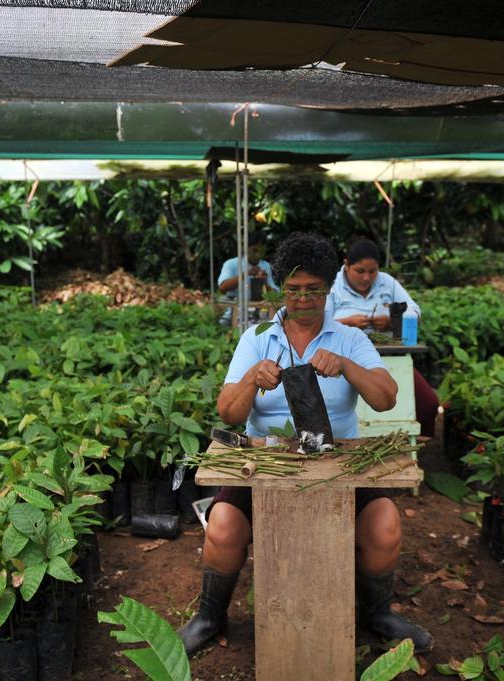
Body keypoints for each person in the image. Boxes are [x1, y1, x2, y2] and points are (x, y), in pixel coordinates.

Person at [179, 232, 434, 656]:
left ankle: (377, 613)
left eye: (314, 290)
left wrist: (347, 366)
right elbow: (228, 413)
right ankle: (209, 617)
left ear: (328, 288)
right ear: (282, 288)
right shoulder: (258, 337)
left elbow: (386, 397)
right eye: (294, 290)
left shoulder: (348, 338)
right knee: (223, 526)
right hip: (267, 462)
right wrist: (250, 378)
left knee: (385, 523)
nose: (303, 300)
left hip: (339, 462)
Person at [327, 238, 440, 437]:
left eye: (373, 271)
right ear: (346, 265)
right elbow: (320, 322)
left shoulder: (387, 282)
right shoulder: (332, 285)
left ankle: (421, 447)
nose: (367, 278)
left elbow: (414, 311)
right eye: (360, 271)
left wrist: (391, 320)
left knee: (429, 404)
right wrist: (347, 323)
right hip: (344, 361)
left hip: (390, 359)